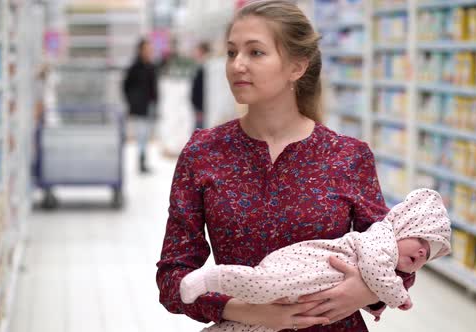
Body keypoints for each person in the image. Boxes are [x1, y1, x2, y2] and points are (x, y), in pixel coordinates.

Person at [157, 1, 405, 331]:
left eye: (255, 52)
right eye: (232, 53)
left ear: (296, 67)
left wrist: (363, 292)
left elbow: (400, 253)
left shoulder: (347, 156)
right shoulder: (204, 152)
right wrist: (246, 310)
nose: (237, 65)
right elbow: (173, 276)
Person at [179, 188, 452, 331]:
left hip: (307, 304)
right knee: (263, 286)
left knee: (252, 327)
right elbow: (377, 270)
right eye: (420, 241)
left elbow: (397, 277)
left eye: (427, 255)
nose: (420, 254)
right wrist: (397, 297)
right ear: (403, 225)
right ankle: (213, 278)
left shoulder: (352, 156)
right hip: (298, 274)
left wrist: (369, 297)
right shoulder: (382, 236)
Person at [123, 38, 158, 172]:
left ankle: (143, 161)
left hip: (149, 106)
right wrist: (132, 102)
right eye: (146, 49)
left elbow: (153, 88)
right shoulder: (134, 67)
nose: (149, 52)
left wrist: (155, 102)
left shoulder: (151, 66)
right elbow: (126, 86)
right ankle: (141, 162)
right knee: (141, 134)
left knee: (146, 134)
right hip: (139, 107)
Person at [191, 42, 211, 129]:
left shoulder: (205, 68)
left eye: (197, 51)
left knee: (200, 131)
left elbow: (202, 89)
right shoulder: (201, 66)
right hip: (199, 107)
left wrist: (199, 107)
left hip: (201, 108)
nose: (195, 53)